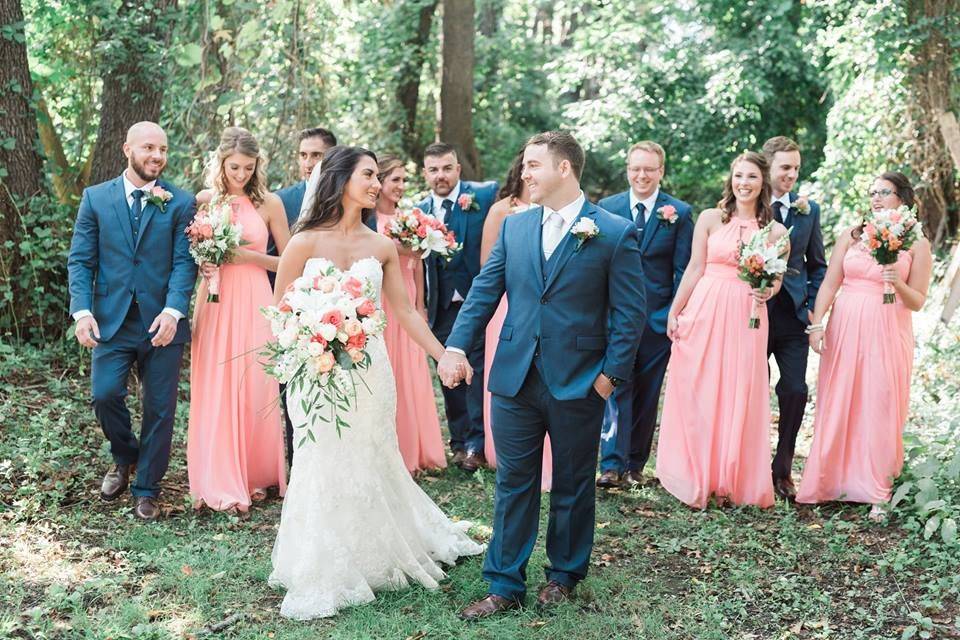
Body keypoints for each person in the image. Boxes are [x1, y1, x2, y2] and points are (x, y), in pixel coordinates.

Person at [269, 146, 483, 620]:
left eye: (377, 177)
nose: (376, 184)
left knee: (371, 454)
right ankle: (322, 559)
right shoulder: (304, 242)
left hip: (369, 371)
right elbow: (279, 309)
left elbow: (405, 311)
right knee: (320, 459)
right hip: (316, 372)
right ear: (341, 178)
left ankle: (379, 550)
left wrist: (443, 352)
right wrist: (305, 345)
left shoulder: (382, 246)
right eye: (368, 175)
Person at [438, 131, 646, 618]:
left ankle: (563, 576)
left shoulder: (613, 232)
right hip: (514, 378)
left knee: (573, 483)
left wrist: (608, 379)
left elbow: (630, 315)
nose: (524, 173)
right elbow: (485, 291)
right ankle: (504, 583)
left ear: (564, 169)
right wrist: (454, 345)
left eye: (533, 165)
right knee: (514, 481)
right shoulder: (516, 227)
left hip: (580, 380)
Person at [67, 121, 197, 521]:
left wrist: (175, 310)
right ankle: (124, 457)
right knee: (104, 395)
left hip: (163, 322)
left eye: (162, 149)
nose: (156, 156)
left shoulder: (180, 201)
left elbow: (183, 263)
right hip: (112, 320)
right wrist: (82, 311)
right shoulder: (96, 198)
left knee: (159, 408)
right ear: (127, 149)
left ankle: (147, 488)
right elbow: (82, 259)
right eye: (148, 148)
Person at [656, 151, 789, 509]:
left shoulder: (776, 232)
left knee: (739, 388)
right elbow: (694, 267)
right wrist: (675, 311)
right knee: (700, 385)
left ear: (763, 183)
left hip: (749, 312)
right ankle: (697, 472)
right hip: (706, 307)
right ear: (731, 179)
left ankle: (733, 477)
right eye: (738, 176)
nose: (743, 183)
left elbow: (775, 280)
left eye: (751, 177)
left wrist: (768, 290)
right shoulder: (711, 219)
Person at [797, 172, 932, 518]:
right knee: (840, 397)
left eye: (884, 192)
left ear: (902, 198)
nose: (876, 198)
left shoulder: (916, 243)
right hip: (846, 324)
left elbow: (917, 301)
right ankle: (829, 482)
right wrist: (817, 324)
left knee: (880, 401)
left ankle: (877, 489)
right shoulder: (851, 236)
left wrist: (895, 282)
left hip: (888, 327)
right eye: (872, 192)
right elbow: (829, 283)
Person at [187, 127, 289, 512]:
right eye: (234, 167)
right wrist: (206, 262)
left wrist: (248, 258)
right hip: (215, 300)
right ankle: (219, 477)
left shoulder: (270, 204)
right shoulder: (206, 201)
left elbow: (289, 260)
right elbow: (194, 255)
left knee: (255, 383)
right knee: (217, 384)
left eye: (248, 167)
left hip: (256, 298)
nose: (241, 174)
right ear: (221, 163)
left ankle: (256, 475)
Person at [596, 141, 694, 488]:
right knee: (614, 386)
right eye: (636, 168)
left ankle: (635, 464)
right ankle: (610, 464)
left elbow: (683, 270)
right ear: (627, 170)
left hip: (656, 320)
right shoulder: (606, 209)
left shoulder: (679, 213)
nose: (642, 175)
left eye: (649, 169)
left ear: (660, 172)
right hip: (614, 317)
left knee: (648, 393)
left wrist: (672, 314)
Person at [418, 143, 498, 471]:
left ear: (458, 169)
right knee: (448, 375)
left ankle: (477, 444)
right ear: (425, 173)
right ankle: (458, 440)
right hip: (439, 306)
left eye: (446, 168)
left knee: (476, 373)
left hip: (477, 303)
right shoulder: (418, 211)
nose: (441, 175)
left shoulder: (485, 196)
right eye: (434, 170)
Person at [480, 150, 553, 492]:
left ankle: (550, 465)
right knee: (513, 381)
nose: (529, 172)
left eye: (536, 165)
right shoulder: (502, 211)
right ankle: (509, 453)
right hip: (509, 310)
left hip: (551, 315)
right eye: (527, 165)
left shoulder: (560, 211)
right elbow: (488, 271)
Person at [761, 136, 828, 499]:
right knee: (752, 390)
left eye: (796, 168)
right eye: (785, 167)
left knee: (795, 390)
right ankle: (751, 465)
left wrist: (812, 306)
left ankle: (782, 469)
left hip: (793, 317)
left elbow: (817, 265)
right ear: (768, 167)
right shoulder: (750, 207)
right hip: (755, 315)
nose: (791, 174)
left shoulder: (808, 210)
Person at [374, 154, 446, 473]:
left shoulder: (411, 217)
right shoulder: (368, 222)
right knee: (388, 372)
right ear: (380, 182)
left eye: (404, 180)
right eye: (395, 180)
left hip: (408, 296)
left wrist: (419, 304)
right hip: (382, 301)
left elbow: (418, 262)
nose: (402, 186)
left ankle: (416, 449)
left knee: (411, 372)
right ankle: (391, 450)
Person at [270, 127, 337, 466]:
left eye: (317, 155)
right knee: (293, 391)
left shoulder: (346, 197)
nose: (309, 162)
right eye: (303, 155)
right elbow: (275, 259)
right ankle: (298, 463)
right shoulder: (282, 200)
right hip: (296, 312)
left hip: (337, 311)